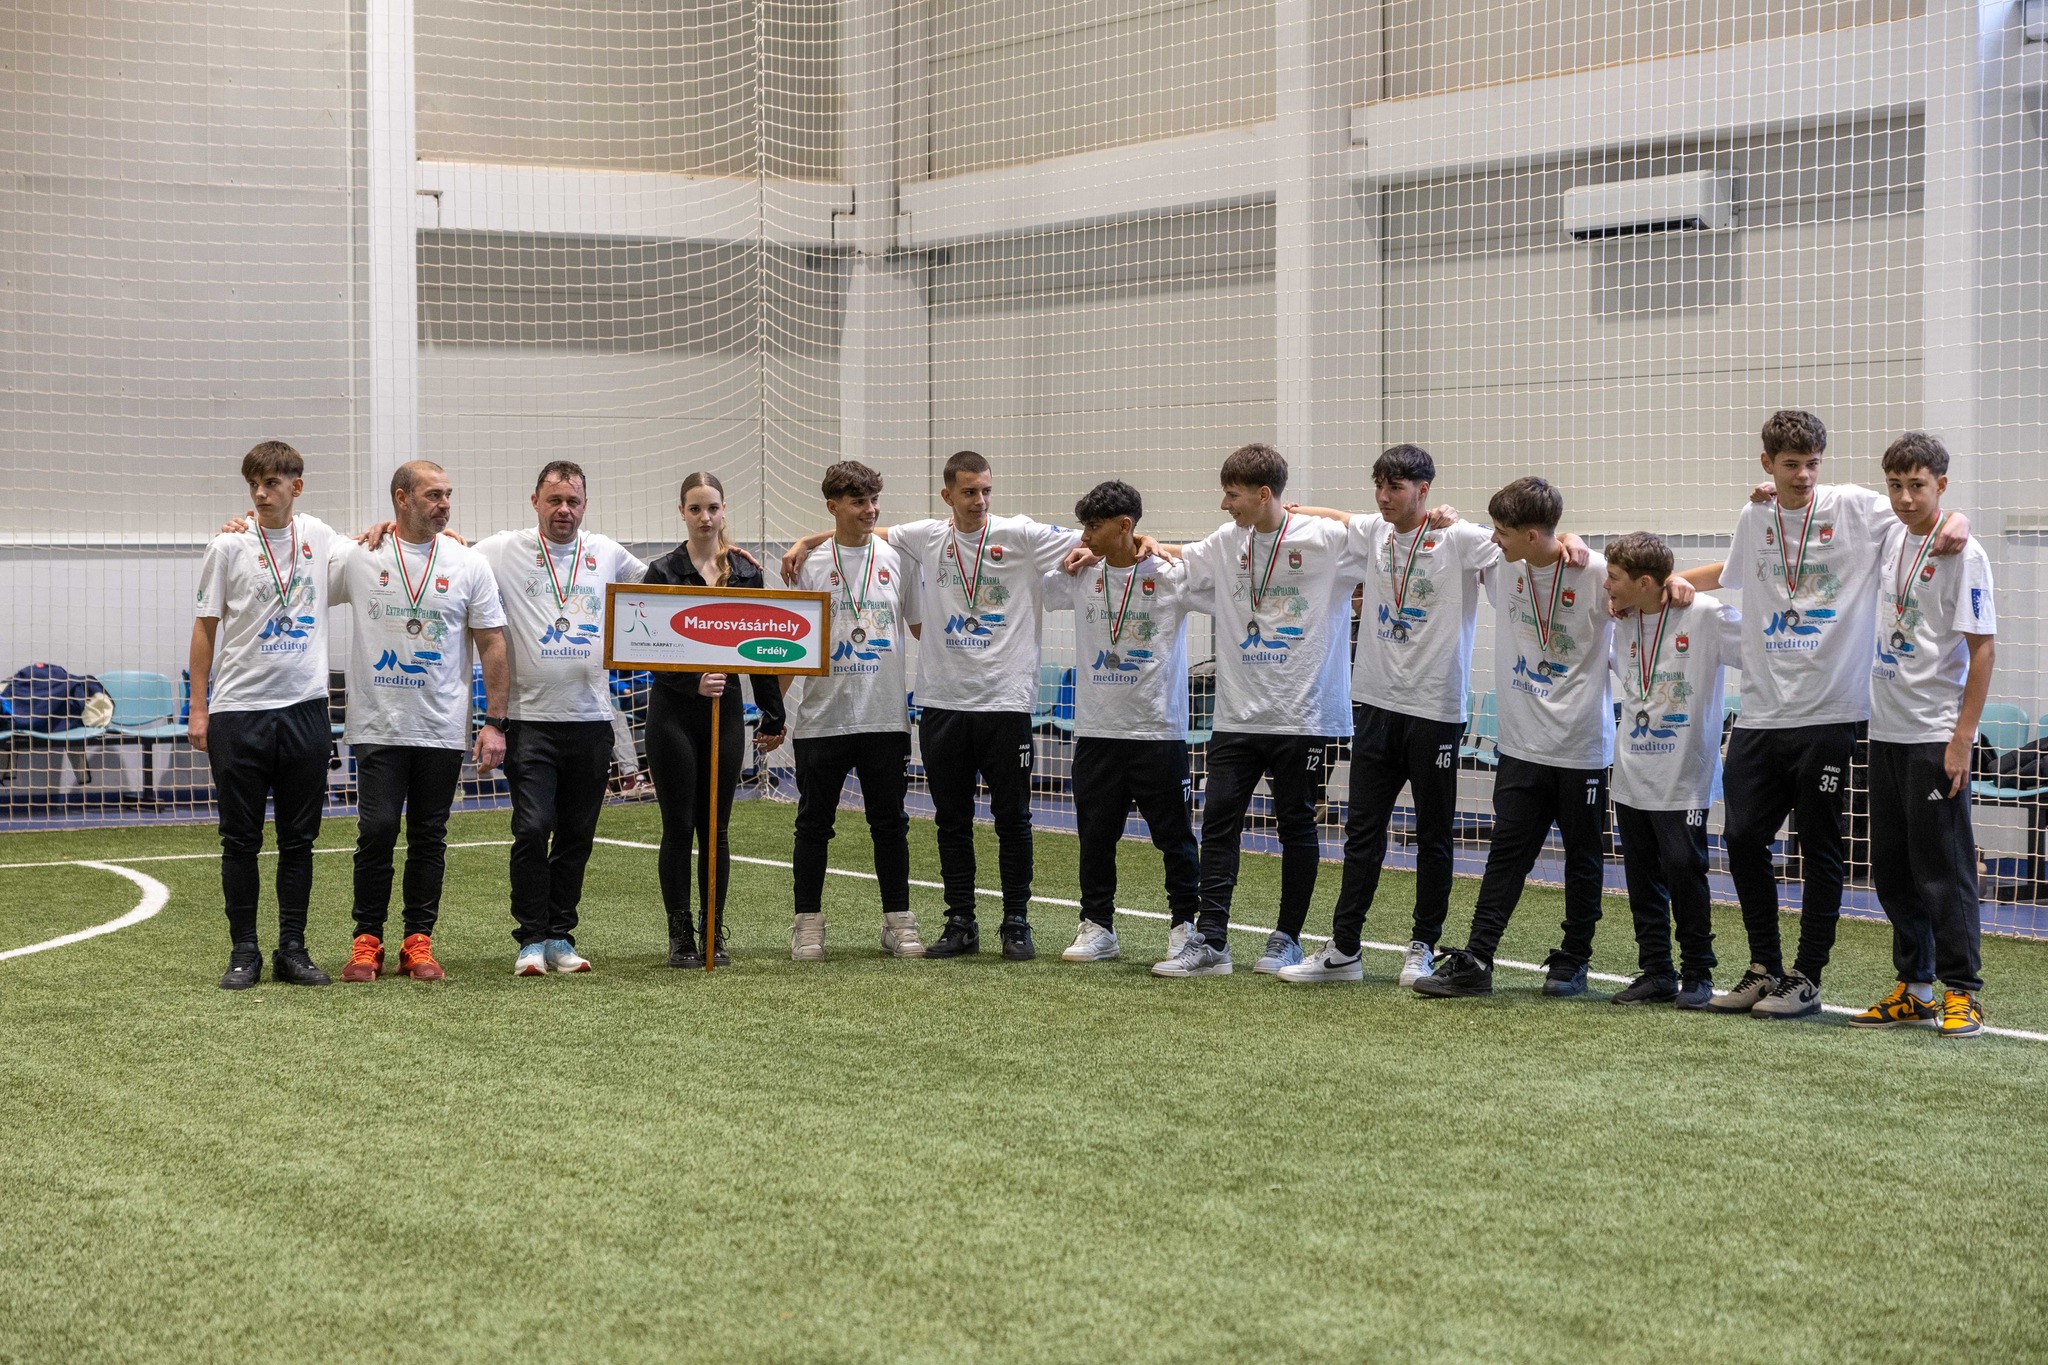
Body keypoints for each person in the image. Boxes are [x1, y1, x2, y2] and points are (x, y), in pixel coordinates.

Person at [1673, 411, 1969, 1019]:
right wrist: (1673, 581)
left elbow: (1926, 509)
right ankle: (1764, 968)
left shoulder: (1855, 506)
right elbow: (1731, 575)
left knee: (1819, 845)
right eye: (1791, 465)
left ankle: (1806, 977)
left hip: (1831, 711)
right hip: (1760, 711)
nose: (1804, 475)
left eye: (1812, 463)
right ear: (1767, 464)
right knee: (1742, 837)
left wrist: (1960, 518)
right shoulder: (1755, 515)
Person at [781, 451, 1080, 961]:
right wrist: (808, 541)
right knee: (943, 820)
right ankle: (955, 921)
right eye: (969, 491)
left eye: (985, 490)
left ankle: (1009, 922)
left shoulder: (1007, 536)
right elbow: (804, 631)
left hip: (984, 706)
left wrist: (1145, 542)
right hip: (918, 708)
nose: (979, 500)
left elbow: (1098, 539)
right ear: (948, 496)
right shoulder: (915, 541)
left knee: (1005, 819)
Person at [1276, 445, 1503, 987]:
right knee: (1362, 832)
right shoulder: (1374, 532)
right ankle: (1344, 949)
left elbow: (1518, 542)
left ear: (1424, 490)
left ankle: (1422, 946)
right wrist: (1291, 510)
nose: (1383, 497)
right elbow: (1339, 517)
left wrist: (1569, 543)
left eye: (1395, 487)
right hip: (1375, 705)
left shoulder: (1459, 538)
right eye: (1378, 485)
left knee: (1433, 835)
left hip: (1435, 710)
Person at [1148, 443, 1366, 979]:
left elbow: (1385, 534)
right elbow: (1184, 555)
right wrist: (1145, 542)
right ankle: (1212, 941)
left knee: (1297, 826)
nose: (1225, 505)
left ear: (1264, 494)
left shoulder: (1324, 539)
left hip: (1302, 716)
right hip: (1236, 717)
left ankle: (1287, 938)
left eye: (1232, 495)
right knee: (1218, 822)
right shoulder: (1228, 541)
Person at [1415, 477, 1633, 999]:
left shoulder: (1596, 572)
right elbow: (1451, 526)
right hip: (1518, 746)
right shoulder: (1500, 559)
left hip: (1581, 748)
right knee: (1506, 856)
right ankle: (1478, 958)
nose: (1494, 537)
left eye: (1503, 530)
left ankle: (1573, 961)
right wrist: (1446, 514)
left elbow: (1646, 592)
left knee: (1583, 858)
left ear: (1532, 535)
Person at [469, 462, 654, 976]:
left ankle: (559, 936)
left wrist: (717, 553)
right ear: (535, 502)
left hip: (591, 722)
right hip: (528, 721)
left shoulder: (607, 552)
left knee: (577, 834)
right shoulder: (501, 549)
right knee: (533, 828)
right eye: (554, 500)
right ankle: (530, 940)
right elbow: (449, 556)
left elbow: (663, 583)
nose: (564, 510)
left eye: (573, 501)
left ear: (585, 505)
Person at [328, 461, 508, 983]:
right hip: (377, 724)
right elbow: (299, 560)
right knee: (377, 830)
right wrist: (248, 524)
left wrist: (495, 721)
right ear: (401, 499)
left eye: (448, 494)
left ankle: (417, 941)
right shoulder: (361, 556)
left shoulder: (468, 562)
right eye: (433, 495)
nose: (445, 504)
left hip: (441, 727)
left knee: (430, 836)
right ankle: (367, 941)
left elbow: (492, 643)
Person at [1846, 433, 1994, 1039]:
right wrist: (1766, 493)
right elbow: (1825, 498)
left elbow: (1983, 650)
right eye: (1896, 486)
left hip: (1935, 733)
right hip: (1886, 730)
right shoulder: (1890, 534)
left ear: (1941, 485)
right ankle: (1916, 988)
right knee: (1894, 868)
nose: (1906, 498)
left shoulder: (1965, 552)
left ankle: (1963, 992)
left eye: (1918, 486)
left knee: (1943, 868)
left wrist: (1963, 738)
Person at [189, 440, 343, 990]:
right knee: (240, 840)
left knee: (299, 840)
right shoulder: (227, 546)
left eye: (272, 483)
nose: (260, 493)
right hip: (239, 712)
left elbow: (376, 549)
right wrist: (199, 708)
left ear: (296, 487)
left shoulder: (320, 536)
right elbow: (205, 627)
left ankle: (293, 950)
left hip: (305, 709)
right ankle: (244, 951)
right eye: (253, 483)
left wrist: (439, 538)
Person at [1041, 480, 1205, 966]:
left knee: (1175, 839)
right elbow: (1044, 591)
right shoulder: (1081, 573)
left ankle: (1185, 926)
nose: (1085, 536)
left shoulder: (1171, 574)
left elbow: (1222, 580)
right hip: (1096, 732)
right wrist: (1065, 562)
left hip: (1158, 732)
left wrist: (1160, 544)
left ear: (1125, 526)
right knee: (1095, 838)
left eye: (1093, 526)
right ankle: (1097, 926)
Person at [641, 472, 789, 967]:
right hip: (672, 715)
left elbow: (760, 648)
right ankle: (680, 933)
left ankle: (712, 930)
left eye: (713, 508)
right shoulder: (662, 571)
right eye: (695, 508)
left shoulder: (746, 573)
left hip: (726, 713)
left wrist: (773, 712)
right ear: (682, 512)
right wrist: (691, 682)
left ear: (724, 511)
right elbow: (646, 648)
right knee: (678, 826)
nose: (705, 517)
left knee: (716, 828)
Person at [784, 461, 925, 961]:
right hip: (821, 720)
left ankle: (898, 921)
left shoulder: (899, 558)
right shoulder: (808, 565)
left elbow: (922, 629)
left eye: (873, 500)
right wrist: (774, 714)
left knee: (890, 824)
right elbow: (792, 646)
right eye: (859, 501)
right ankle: (807, 924)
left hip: (885, 719)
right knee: (813, 825)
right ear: (833, 506)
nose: (870, 510)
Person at [1601, 532, 1741, 1009]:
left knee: (1685, 870)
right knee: (1641, 877)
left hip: (1683, 775)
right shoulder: (1620, 620)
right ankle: (1657, 972)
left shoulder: (1706, 615)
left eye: (1614, 578)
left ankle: (1698, 973)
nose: (1606, 586)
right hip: (1631, 773)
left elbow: (1759, 652)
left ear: (1645, 582)